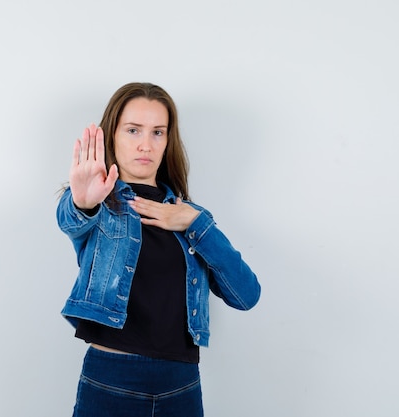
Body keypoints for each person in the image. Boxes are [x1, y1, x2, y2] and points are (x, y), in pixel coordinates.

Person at [56, 82, 261, 417]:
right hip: (111, 380)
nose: (145, 145)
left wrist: (195, 223)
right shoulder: (99, 204)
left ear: (168, 141)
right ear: (113, 136)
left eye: (157, 132)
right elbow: (70, 218)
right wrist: (83, 201)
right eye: (133, 130)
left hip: (181, 385)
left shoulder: (191, 218)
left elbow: (246, 295)